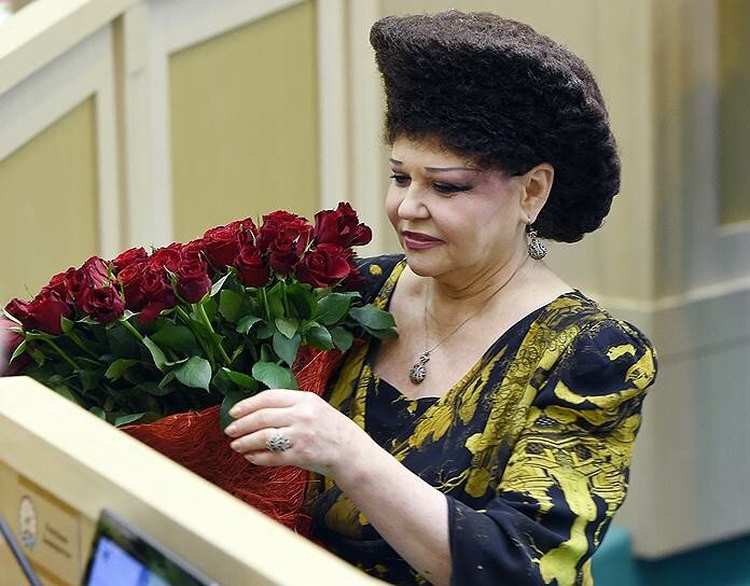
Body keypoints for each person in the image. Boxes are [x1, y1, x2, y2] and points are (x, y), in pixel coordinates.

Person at [224, 10, 657, 586]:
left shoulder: (594, 355)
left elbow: (520, 570)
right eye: (401, 177)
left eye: (447, 186)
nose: (407, 208)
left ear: (532, 191)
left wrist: (346, 452)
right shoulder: (354, 290)